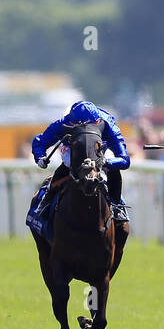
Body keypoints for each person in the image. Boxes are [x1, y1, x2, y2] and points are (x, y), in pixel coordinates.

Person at [26, 100, 131, 240]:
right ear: (72, 123)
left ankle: (117, 206)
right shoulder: (64, 122)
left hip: (100, 153)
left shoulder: (108, 123)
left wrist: (104, 162)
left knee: (114, 172)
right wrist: (40, 157)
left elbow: (125, 160)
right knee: (65, 167)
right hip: (75, 153)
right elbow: (39, 141)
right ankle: (45, 203)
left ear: (97, 122)